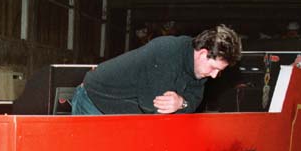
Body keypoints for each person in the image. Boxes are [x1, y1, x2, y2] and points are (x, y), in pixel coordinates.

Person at [71, 24, 241, 115]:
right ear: (203, 53)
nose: (214, 75)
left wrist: (181, 102)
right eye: (214, 68)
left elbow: (194, 99)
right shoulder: (167, 52)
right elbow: (153, 106)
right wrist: (179, 105)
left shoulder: (200, 69)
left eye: (219, 71)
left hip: (124, 108)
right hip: (94, 99)